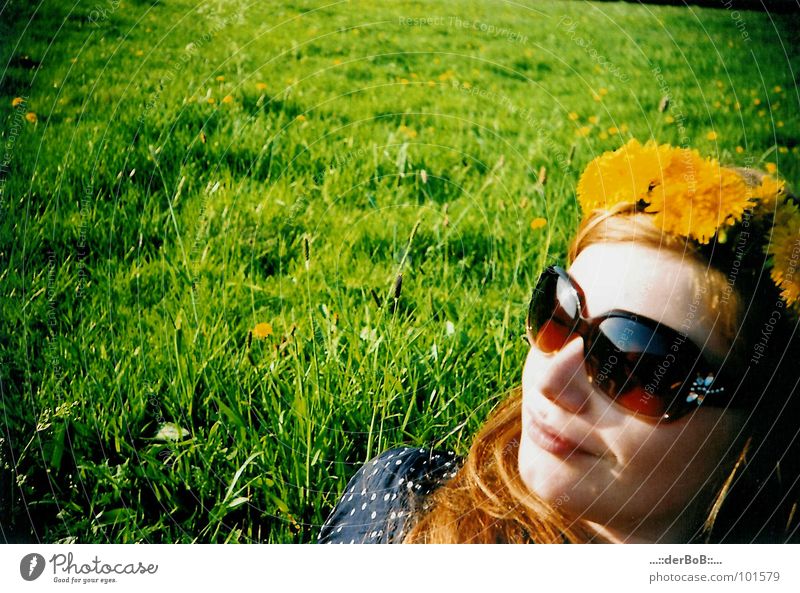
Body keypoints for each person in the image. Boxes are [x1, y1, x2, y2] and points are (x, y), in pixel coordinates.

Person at [317, 139, 800, 544]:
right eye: (559, 314)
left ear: (762, 430)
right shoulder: (399, 509)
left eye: (634, 366)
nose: (550, 379)